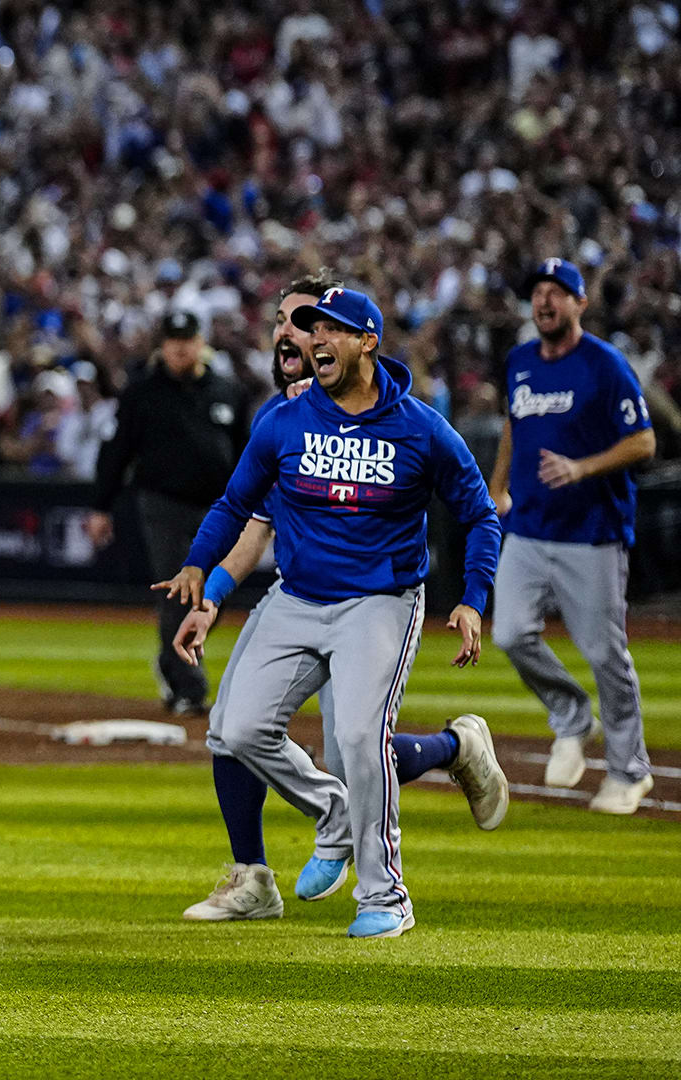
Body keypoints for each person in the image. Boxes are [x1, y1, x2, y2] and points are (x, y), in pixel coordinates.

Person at [162, 272, 509, 923]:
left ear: (368, 342)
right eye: (308, 327)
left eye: (329, 329)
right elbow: (238, 505)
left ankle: (384, 895)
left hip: (379, 600)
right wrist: (198, 571)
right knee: (235, 730)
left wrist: (473, 597)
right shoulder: (284, 420)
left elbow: (481, 514)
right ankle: (336, 813)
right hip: (296, 598)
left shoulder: (421, 429)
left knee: (356, 738)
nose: (313, 338)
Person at [489, 258, 656, 814]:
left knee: (605, 654)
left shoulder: (605, 365)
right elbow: (514, 425)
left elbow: (644, 443)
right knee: (511, 633)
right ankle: (570, 716)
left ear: (580, 303)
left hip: (592, 534)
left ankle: (629, 772)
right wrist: (499, 487)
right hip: (530, 527)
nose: (544, 301)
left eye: (557, 293)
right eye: (537, 292)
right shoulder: (518, 361)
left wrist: (583, 467)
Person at [86, 310, 249, 715]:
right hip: (162, 505)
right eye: (173, 341)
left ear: (201, 343)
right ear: (162, 346)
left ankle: (170, 663)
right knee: (179, 593)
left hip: (220, 510)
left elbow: (249, 454)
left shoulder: (229, 391)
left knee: (215, 594)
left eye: (187, 339)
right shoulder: (142, 393)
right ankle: (188, 687)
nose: (180, 348)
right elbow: (116, 451)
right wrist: (101, 505)